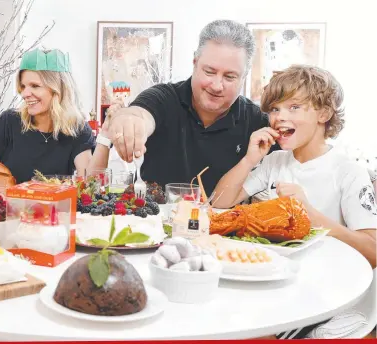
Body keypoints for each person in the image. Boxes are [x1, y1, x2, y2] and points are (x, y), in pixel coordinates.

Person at [211, 65, 376, 339]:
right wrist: (250, 158)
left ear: (324, 114)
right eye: (275, 109)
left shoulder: (348, 172)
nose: (279, 117)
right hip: (289, 283)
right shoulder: (275, 161)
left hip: (337, 298)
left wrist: (308, 214)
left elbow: (373, 252)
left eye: (294, 107)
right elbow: (219, 202)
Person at [100, 19, 276, 196]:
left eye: (229, 77)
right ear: (195, 62)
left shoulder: (256, 120)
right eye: (209, 72)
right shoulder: (163, 98)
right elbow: (140, 114)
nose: (216, 85)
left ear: (244, 77)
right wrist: (128, 121)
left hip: (229, 221)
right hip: (156, 221)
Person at [0, 48, 96, 182]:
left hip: (54, 203)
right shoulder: (10, 120)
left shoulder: (77, 129)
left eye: (35, 86)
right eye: (23, 86)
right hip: (10, 202)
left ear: (58, 89)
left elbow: (87, 180)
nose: (25, 93)